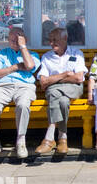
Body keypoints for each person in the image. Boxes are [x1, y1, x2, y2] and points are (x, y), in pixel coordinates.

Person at [0, 26, 39, 158]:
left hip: (24, 86)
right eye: (11, 40)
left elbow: (30, 66)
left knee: (23, 105)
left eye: (17, 40)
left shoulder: (32, 54)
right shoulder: (1, 54)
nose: (14, 42)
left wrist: (23, 47)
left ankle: (21, 140)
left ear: (23, 40)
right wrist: (15, 67)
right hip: (3, 86)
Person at [35, 27, 86, 155]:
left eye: (54, 40)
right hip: (60, 91)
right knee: (63, 101)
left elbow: (79, 78)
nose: (51, 43)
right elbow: (43, 81)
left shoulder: (77, 54)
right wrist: (64, 75)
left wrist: (54, 80)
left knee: (53, 92)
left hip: (73, 89)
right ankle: (62, 138)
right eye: (50, 40)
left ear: (65, 38)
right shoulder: (47, 57)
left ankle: (49, 137)